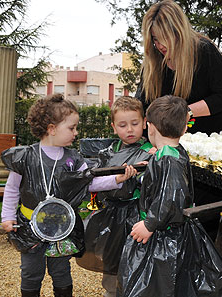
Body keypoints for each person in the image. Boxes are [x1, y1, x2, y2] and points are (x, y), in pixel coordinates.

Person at [0, 94, 137, 297]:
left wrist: (116, 179)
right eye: (71, 128)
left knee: (61, 270)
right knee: (30, 272)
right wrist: (7, 216)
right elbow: (12, 189)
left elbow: (90, 182)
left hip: (62, 229)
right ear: (52, 129)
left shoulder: (73, 159)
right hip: (30, 227)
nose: (76, 132)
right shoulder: (26, 157)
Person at [117, 95, 222, 297]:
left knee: (163, 283)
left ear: (150, 126)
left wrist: (150, 224)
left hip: (166, 235)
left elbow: (171, 197)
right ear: (184, 129)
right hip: (170, 231)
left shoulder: (168, 160)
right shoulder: (172, 152)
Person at [76, 96, 154, 297]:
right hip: (111, 216)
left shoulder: (151, 152)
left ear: (145, 123)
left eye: (135, 124)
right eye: (122, 125)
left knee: (137, 263)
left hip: (137, 216)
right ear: (113, 127)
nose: (129, 129)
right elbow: (95, 183)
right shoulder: (108, 153)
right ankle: (111, 293)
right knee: (111, 263)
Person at [135, 0, 222, 135]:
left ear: (178, 32)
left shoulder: (204, 51)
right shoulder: (152, 63)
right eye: (155, 39)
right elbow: (141, 103)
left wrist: (183, 112)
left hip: (211, 141)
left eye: (164, 37)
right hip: (167, 143)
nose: (160, 45)